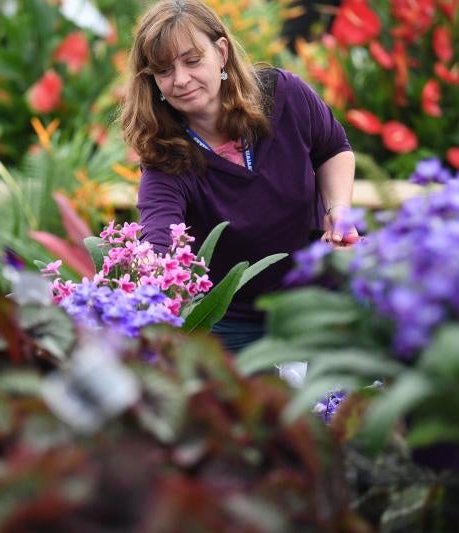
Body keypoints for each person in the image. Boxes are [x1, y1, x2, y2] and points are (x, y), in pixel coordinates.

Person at [120, 0, 357, 353]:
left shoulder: (284, 95)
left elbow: (333, 148)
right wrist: (143, 275)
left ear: (222, 51)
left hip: (320, 301)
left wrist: (338, 210)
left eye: (192, 60)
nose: (180, 80)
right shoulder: (164, 158)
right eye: (164, 70)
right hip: (235, 329)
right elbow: (158, 241)